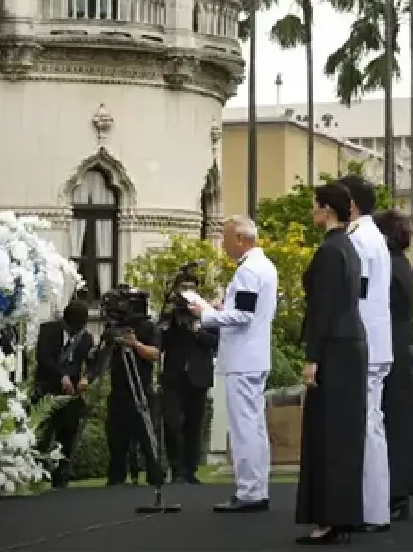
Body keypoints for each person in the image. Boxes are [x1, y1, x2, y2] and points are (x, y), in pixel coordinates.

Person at [297, 180, 368, 544]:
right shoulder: (349, 248)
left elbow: (323, 309)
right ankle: (341, 514)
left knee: (328, 434)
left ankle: (329, 516)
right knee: (344, 433)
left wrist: (312, 358)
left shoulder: (330, 251)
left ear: (326, 209)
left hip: (335, 349)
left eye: (315, 205)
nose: (312, 212)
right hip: (350, 345)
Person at [197, 214, 278, 514]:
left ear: (241, 239)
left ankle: (249, 490)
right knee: (254, 426)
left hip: (243, 358)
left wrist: (205, 314)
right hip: (255, 356)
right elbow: (249, 310)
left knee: (245, 427)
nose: (223, 244)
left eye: (226, 238)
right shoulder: (265, 267)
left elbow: (243, 316)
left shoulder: (248, 270)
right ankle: (256, 486)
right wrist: (223, 308)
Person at [340, 175, 393, 532]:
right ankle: (372, 507)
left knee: (366, 425)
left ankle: (371, 509)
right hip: (373, 340)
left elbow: (353, 294)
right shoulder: (372, 237)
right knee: (370, 423)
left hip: (362, 343)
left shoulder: (359, 240)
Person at [373, 210, 413, 519]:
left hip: (391, 348)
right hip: (401, 347)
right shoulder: (401, 266)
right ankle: (397, 491)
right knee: (399, 421)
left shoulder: (388, 267)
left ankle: (395, 492)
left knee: (392, 422)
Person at [96, 285, 165, 488]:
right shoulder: (112, 329)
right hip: (118, 392)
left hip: (141, 390)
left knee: (146, 436)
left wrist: (135, 344)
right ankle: (116, 477)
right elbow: (101, 359)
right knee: (116, 438)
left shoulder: (148, 328)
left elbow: (154, 353)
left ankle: (155, 477)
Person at [156, 264, 217, 485]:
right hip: (174, 376)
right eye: (184, 288)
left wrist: (198, 329)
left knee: (193, 424)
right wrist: (168, 315)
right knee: (173, 423)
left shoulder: (207, 312)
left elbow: (215, 341)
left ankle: (190, 470)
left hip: (198, 376)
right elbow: (159, 339)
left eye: (191, 287)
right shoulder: (171, 314)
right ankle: (177, 469)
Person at [33, 298, 95, 488]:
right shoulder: (48, 330)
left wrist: (87, 378)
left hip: (71, 394)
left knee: (67, 434)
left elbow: (91, 363)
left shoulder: (85, 338)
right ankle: (36, 474)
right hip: (48, 389)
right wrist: (61, 376)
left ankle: (61, 477)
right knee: (42, 435)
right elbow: (43, 357)